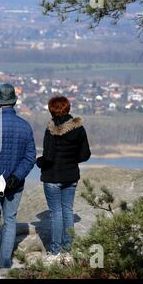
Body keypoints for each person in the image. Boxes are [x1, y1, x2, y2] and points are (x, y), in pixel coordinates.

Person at [0, 83, 36, 273]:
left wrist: (1, 175)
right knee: (10, 220)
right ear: (14, 101)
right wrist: (15, 176)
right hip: (15, 184)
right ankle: (5, 264)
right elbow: (30, 156)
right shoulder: (25, 126)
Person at [36, 96, 91, 264]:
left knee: (56, 214)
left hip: (52, 177)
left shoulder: (51, 130)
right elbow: (85, 155)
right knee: (68, 211)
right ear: (68, 109)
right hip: (71, 176)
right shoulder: (79, 129)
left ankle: (55, 251)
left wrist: (39, 162)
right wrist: (71, 161)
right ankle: (68, 250)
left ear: (51, 110)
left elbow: (49, 157)